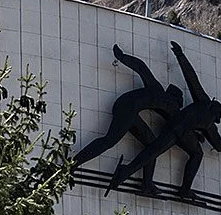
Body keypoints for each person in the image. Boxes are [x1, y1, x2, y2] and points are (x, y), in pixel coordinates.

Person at [106, 40, 221, 198]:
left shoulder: (204, 104)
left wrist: (180, 55)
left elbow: (191, 79)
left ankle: (127, 173)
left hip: (173, 127)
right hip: (180, 132)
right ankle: (183, 189)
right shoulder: (209, 121)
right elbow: (219, 145)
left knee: (153, 151)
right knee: (194, 154)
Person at [72, 44, 184, 177]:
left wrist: (122, 57)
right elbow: (142, 68)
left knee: (152, 146)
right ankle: (73, 164)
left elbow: (142, 68)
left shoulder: (160, 96)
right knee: (109, 140)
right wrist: (122, 57)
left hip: (128, 109)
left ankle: (146, 184)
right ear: (173, 99)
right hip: (127, 108)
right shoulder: (162, 95)